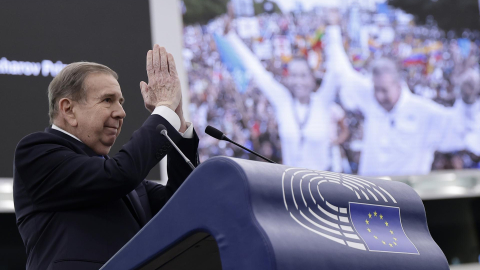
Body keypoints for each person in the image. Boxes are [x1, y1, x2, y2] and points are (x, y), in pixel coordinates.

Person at [13, 45, 199, 270]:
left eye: (120, 102)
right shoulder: (36, 152)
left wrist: (177, 121)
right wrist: (164, 111)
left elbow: (182, 205)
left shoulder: (128, 181)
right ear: (68, 109)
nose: (121, 112)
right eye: (108, 100)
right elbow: (120, 175)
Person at [327, 24, 462, 176]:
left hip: (407, 195)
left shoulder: (423, 111)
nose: (379, 96)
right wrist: (333, 30)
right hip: (370, 194)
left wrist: (469, 99)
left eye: (384, 90)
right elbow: (342, 73)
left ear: (398, 84)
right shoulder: (370, 99)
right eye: (376, 89)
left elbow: (461, 127)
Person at [225, 20, 349, 171]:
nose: (298, 81)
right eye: (294, 75)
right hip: (291, 186)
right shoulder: (282, 101)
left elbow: (335, 71)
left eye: (303, 75)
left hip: (323, 185)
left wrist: (333, 27)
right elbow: (258, 71)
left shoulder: (323, 101)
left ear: (312, 78)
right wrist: (231, 37)